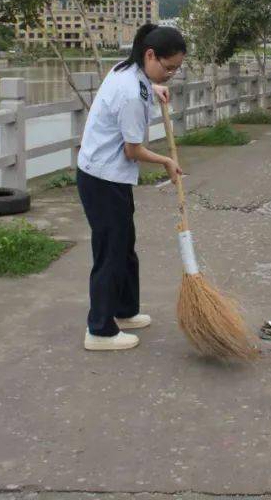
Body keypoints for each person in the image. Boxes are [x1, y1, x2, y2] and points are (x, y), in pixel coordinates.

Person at [76, 23, 186, 351]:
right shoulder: (130, 92)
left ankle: (124, 310)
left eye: (176, 70)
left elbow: (140, 85)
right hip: (102, 179)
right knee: (110, 253)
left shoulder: (128, 69)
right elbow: (132, 150)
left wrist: (155, 88)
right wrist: (167, 162)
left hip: (111, 176)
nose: (170, 75)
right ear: (150, 55)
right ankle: (99, 330)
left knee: (124, 248)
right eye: (167, 68)